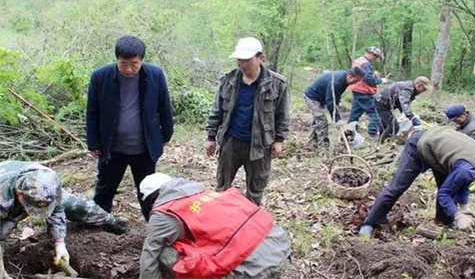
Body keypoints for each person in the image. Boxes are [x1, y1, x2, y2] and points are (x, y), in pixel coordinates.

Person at [358, 127, 475, 237]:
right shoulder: (468, 169)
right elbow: (445, 193)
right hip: (422, 144)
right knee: (397, 187)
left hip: (441, 153)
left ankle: (444, 221)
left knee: (450, 187)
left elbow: (463, 185)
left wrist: (465, 209)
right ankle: (369, 223)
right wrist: (458, 215)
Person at [138, 173, 291, 279]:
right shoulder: (205, 193)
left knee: (163, 253)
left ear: (152, 198)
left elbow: (149, 256)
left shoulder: (165, 213)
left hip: (251, 271)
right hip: (279, 248)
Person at [86, 36, 174, 220]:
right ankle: (99, 222)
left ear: (142, 60)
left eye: (134, 64)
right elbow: (92, 111)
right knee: (105, 188)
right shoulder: (100, 77)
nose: (128, 69)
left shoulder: (155, 75)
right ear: (116, 59)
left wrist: (166, 135)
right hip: (111, 148)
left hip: (144, 148)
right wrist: (93, 142)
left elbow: (164, 106)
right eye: (123, 63)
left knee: (148, 189)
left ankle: (154, 224)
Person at [0, 161, 128, 279]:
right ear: (20, 193)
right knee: (3, 231)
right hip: (6, 194)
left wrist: (59, 243)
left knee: (80, 207)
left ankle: (111, 221)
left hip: (34, 188)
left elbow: (56, 210)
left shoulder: (49, 182)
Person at [205, 37, 290, 206]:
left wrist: (279, 140)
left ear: (261, 58)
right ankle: (219, 223)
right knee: (222, 187)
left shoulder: (277, 84)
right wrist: (211, 137)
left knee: (255, 191)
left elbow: (282, 115)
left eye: (247, 60)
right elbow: (217, 110)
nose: (242, 65)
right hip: (231, 142)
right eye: (239, 60)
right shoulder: (228, 80)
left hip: (260, 146)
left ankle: (249, 225)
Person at [303, 67, 364, 148]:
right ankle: (323, 147)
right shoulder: (337, 82)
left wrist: (337, 114)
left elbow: (336, 97)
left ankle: (311, 142)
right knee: (322, 121)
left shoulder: (344, 78)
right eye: (355, 81)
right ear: (350, 76)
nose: (355, 83)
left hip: (321, 98)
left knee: (318, 120)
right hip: (312, 98)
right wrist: (337, 119)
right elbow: (330, 101)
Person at [374, 77, 430, 141]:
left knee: (387, 123)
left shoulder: (410, 88)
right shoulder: (407, 89)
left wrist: (406, 114)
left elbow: (401, 103)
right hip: (381, 103)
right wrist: (412, 117)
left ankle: (381, 139)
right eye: (424, 89)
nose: (424, 91)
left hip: (385, 103)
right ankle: (382, 142)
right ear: (418, 85)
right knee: (394, 126)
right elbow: (405, 103)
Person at [347, 47, 385, 137]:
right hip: (364, 92)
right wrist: (380, 80)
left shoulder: (359, 61)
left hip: (357, 90)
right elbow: (369, 79)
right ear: (372, 55)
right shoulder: (365, 64)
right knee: (375, 113)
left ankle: (350, 131)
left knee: (355, 113)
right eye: (376, 57)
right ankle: (372, 133)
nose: (375, 60)